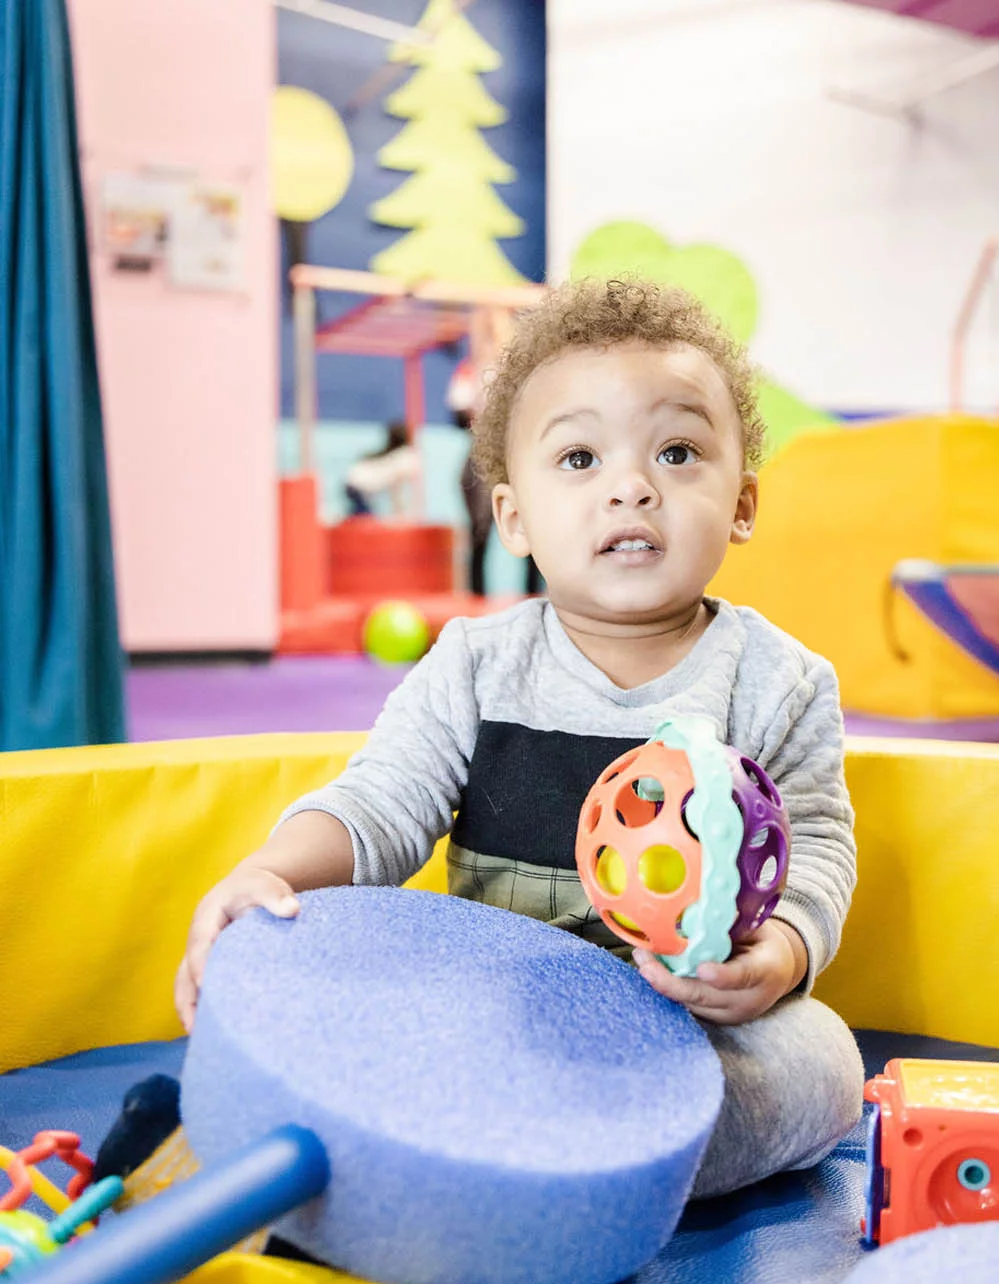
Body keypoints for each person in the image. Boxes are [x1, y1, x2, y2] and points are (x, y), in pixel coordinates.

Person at [172, 279, 864, 1200]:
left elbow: (814, 845)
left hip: (687, 1036)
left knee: (824, 1065)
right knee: (321, 964)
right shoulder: (475, 663)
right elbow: (381, 802)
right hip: (495, 1017)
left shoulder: (782, 680)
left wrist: (775, 957)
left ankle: (524, 1161)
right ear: (514, 518)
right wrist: (272, 872)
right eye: (579, 457)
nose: (631, 486)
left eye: (677, 450)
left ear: (741, 503)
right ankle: (533, 1157)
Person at [450, 354, 543, 597]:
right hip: (483, 453)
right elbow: (458, 416)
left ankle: (532, 593)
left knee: (531, 526)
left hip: (514, 450)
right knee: (480, 530)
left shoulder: (519, 365)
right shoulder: (469, 370)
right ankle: (476, 596)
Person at [343, 422, 420, 518]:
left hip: (353, 485)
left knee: (361, 515)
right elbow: (396, 487)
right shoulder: (404, 456)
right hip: (359, 487)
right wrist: (400, 513)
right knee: (364, 518)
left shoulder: (393, 455)